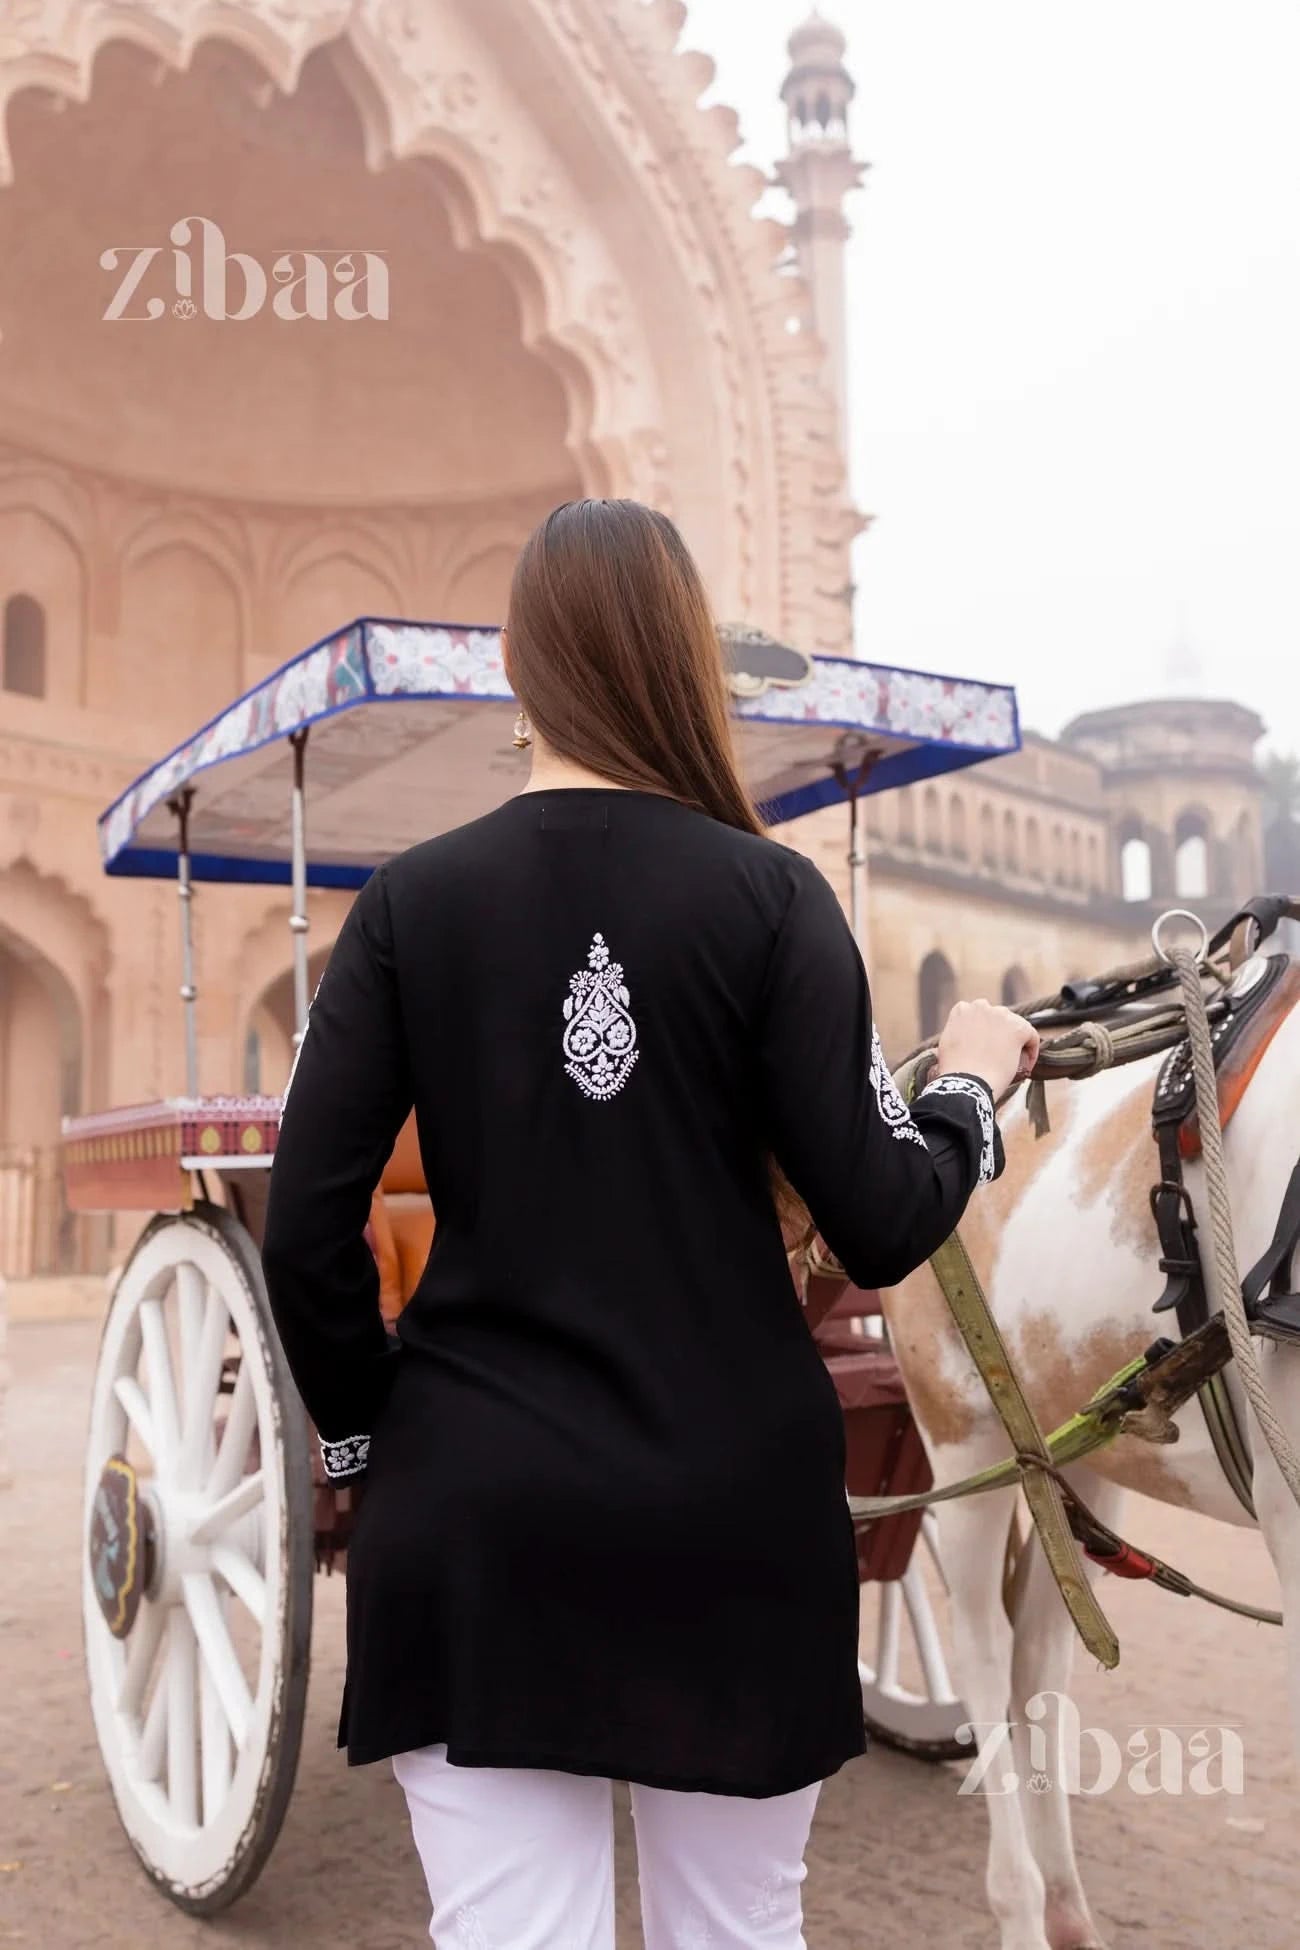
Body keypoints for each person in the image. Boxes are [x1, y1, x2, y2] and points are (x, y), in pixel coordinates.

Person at [261, 498, 1039, 1950]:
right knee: (737, 1931)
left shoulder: (409, 906)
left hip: (478, 1518)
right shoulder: (774, 901)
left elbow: (305, 1227)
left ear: (519, 666)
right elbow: (881, 1217)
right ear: (688, 662)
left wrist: (380, 1435)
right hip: (730, 1519)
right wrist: (973, 1095)